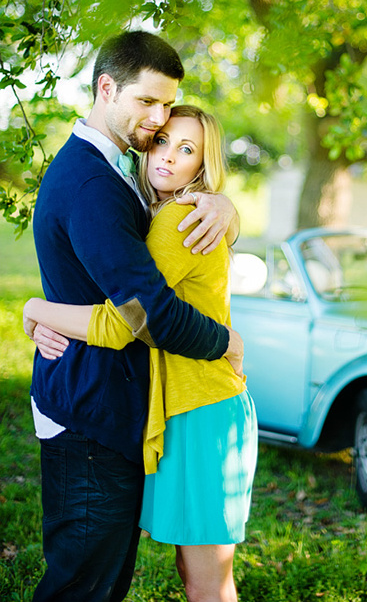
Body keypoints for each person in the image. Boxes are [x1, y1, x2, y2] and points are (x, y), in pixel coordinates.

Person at [26, 31, 243, 602]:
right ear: (106, 89)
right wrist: (222, 341)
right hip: (91, 414)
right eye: (147, 103)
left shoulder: (110, 171)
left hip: (113, 407)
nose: (158, 120)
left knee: (105, 580)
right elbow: (149, 314)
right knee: (84, 585)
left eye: (168, 105)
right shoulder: (96, 183)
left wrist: (224, 206)